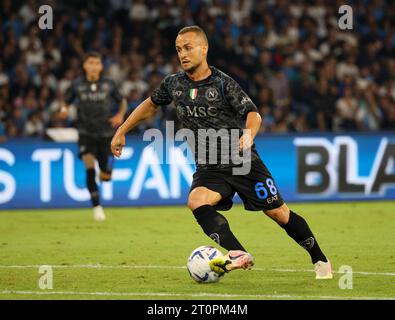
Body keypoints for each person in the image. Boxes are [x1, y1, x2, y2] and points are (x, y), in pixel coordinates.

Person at [110, 26, 332, 279]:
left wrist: (248, 133)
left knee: (278, 213)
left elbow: (253, 113)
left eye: (188, 47)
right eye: (179, 49)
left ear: (204, 49)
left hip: (242, 162)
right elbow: (150, 106)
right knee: (196, 201)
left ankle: (320, 259)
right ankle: (238, 253)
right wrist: (122, 130)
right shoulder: (173, 84)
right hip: (209, 167)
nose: (183, 54)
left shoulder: (223, 83)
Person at [61, 52, 127, 221]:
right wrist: (64, 109)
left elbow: (122, 101)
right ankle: (97, 206)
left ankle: (104, 171)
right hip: (85, 133)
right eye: (90, 62)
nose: (94, 66)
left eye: (97, 63)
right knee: (89, 168)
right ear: (85, 66)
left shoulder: (109, 84)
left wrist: (120, 115)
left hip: (106, 134)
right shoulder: (77, 85)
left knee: (105, 175)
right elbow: (66, 101)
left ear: (101, 66)